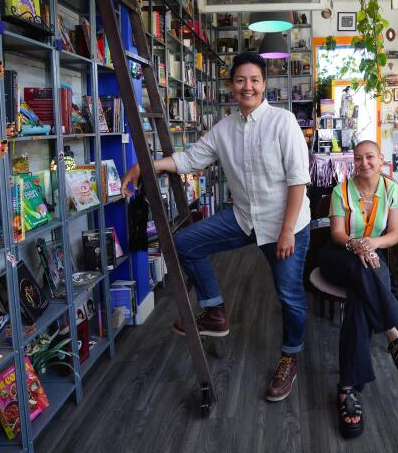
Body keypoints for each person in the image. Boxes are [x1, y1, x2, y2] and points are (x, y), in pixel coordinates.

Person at [120, 51, 311, 402]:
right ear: (231, 87)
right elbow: (190, 158)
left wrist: (286, 231)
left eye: (254, 80)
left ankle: (290, 358)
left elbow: (298, 181)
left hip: (286, 224)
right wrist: (145, 166)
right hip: (244, 218)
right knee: (184, 242)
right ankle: (215, 310)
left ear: (264, 84)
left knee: (289, 296)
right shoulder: (224, 128)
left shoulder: (283, 122)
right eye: (241, 80)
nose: (247, 86)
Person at [319, 141, 398, 439]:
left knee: (358, 301)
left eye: (370, 158)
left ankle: (347, 390)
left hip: (373, 257)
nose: (363, 163)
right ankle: (393, 332)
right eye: (358, 158)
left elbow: (394, 234)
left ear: (381, 160)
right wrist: (356, 244)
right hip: (339, 256)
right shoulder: (342, 191)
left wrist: (371, 244)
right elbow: (338, 233)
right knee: (362, 267)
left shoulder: (393, 190)